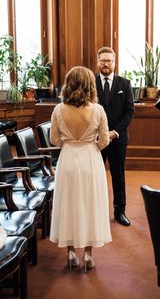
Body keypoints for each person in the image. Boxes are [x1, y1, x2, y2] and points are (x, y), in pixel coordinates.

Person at [50, 66, 112, 272]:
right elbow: (103, 141)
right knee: (90, 203)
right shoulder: (98, 110)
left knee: (68, 203)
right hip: (90, 160)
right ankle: (87, 254)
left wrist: (71, 142)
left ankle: (69, 252)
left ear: (68, 84)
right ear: (90, 85)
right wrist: (91, 141)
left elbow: (55, 140)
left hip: (67, 159)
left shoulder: (58, 109)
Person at [96, 47, 134, 226]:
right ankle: (95, 213)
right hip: (96, 140)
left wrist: (114, 132)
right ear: (98, 62)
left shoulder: (124, 84)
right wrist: (101, 133)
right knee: (95, 176)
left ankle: (120, 212)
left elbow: (129, 112)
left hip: (118, 138)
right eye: (103, 60)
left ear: (114, 62)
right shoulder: (91, 82)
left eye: (109, 61)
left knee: (118, 176)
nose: (106, 64)